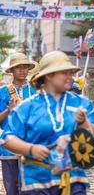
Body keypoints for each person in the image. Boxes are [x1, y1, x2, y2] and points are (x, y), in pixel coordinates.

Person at [1, 51, 94, 195]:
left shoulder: (81, 103)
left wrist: (84, 123)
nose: (70, 77)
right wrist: (30, 149)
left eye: (71, 73)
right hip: (37, 182)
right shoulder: (27, 107)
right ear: (48, 75)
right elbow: (7, 138)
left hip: (74, 180)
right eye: (64, 73)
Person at [0, 52, 36, 195]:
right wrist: (8, 111)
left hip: (30, 148)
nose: (22, 70)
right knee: (12, 190)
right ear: (12, 71)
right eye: (18, 67)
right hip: (8, 149)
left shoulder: (35, 92)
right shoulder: (2, 92)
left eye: (25, 67)